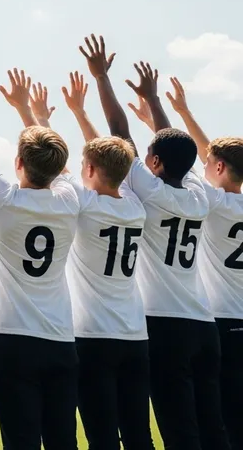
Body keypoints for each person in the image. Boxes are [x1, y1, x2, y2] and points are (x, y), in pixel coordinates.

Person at [84, 34, 230, 450]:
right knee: (214, 430)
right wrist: (153, 98)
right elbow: (177, 146)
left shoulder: (150, 192)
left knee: (180, 433)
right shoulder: (200, 193)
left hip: (167, 326)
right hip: (204, 325)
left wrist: (102, 78)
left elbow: (119, 131)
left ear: (155, 162)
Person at [0, 59, 78, 450]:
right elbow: (56, 163)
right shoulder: (70, 199)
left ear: (18, 163)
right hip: (60, 338)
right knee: (64, 440)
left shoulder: (6, 200)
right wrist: (30, 112)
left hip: (14, 340)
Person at [131, 76, 243, 449]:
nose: (204, 165)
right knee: (224, 428)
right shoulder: (215, 199)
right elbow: (195, 157)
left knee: (192, 426)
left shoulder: (212, 202)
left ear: (220, 167)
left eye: (210, 163)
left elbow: (184, 160)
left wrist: (168, 112)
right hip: (223, 323)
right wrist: (173, 113)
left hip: (215, 319)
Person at [57, 68, 154, 450]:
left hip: (94, 337)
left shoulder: (85, 203)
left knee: (101, 437)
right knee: (139, 435)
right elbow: (109, 160)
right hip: (135, 335)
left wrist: (49, 115)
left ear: (89, 170)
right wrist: (82, 115)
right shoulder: (135, 207)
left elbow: (56, 164)